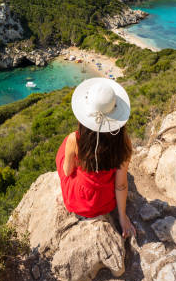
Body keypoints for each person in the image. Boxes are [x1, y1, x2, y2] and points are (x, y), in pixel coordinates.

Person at [55, 77, 136, 238]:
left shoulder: (75, 140)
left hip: (79, 200)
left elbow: (68, 171)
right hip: (105, 202)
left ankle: (64, 192)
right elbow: (120, 185)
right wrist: (122, 216)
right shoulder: (123, 142)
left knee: (64, 150)